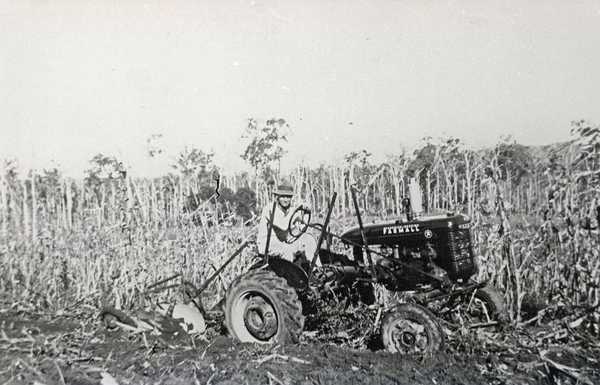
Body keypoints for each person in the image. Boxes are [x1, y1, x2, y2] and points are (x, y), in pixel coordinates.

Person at [256, 182, 317, 265]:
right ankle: (290, 276)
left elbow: (303, 226)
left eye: (288, 197)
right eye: (283, 196)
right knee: (287, 250)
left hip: (285, 241)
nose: (285, 200)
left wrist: (306, 212)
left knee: (309, 239)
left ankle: (317, 269)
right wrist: (296, 213)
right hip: (268, 244)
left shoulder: (290, 210)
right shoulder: (269, 209)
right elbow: (283, 226)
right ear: (277, 196)